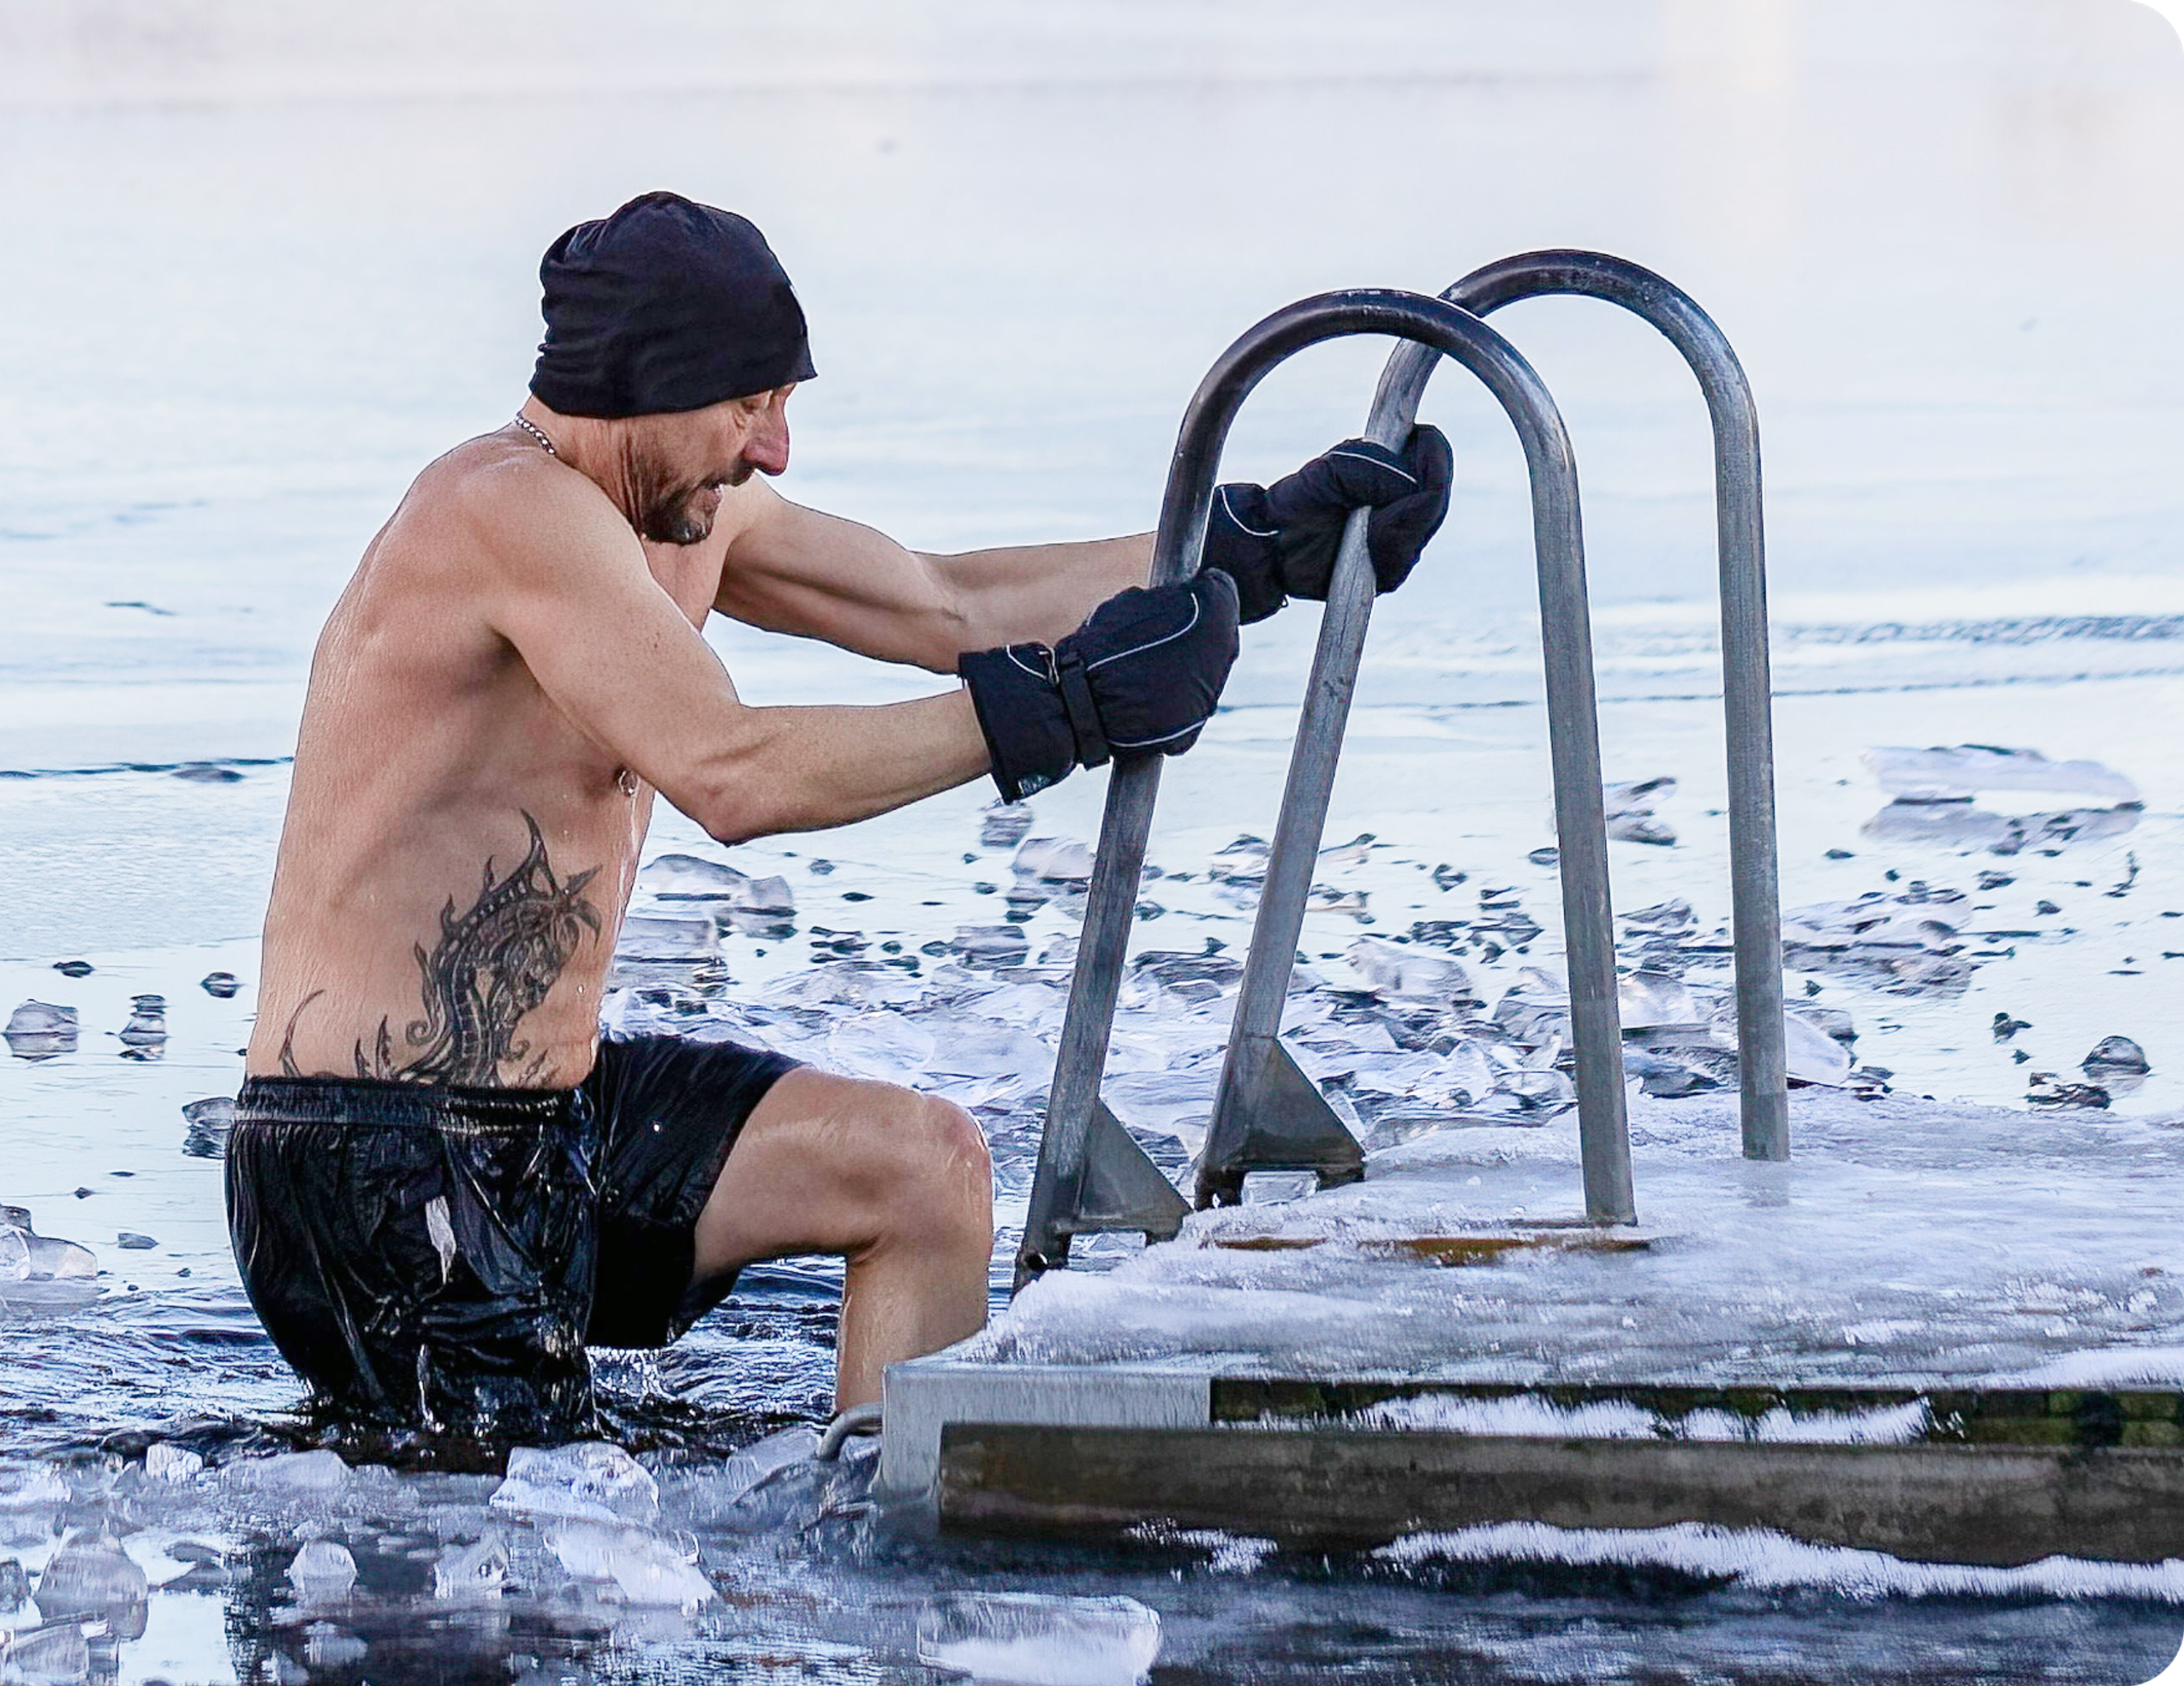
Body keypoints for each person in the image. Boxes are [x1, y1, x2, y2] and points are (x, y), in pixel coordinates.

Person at [227, 190, 1452, 1438]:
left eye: (783, 408)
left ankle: (889, 1557)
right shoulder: (501, 510)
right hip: (372, 1160)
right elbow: (732, 771)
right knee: (538, 1567)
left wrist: (1244, 546)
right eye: (748, 409)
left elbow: (949, 606)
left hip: (561, 1117)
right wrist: (1062, 712)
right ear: (642, 382)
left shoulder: (685, 517)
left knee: (922, 1173)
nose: (772, 452)